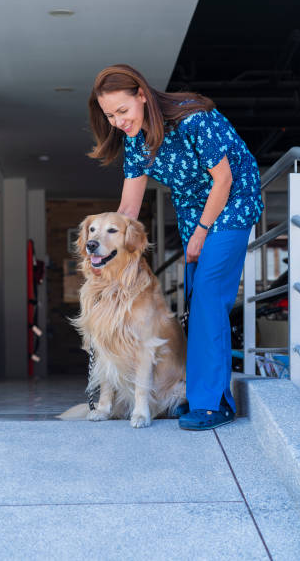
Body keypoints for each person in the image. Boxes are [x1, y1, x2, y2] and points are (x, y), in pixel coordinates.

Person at [87, 64, 264, 430]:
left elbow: (224, 179)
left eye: (123, 111)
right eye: (109, 116)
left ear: (142, 95)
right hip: (193, 212)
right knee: (199, 298)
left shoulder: (193, 118)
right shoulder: (136, 142)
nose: (118, 121)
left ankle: (211, 403)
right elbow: (129, 211)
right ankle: (210, 395)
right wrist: (107, 247)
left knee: (208, 296)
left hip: (233, 202)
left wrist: (201, 232)